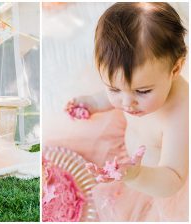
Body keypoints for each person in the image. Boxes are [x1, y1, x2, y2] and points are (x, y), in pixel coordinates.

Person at [66, 2, 188, 221]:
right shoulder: (129, 93)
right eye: (113, 88)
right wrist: (93, 102)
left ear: (176, 69)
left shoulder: (179, 113)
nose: (126, 104)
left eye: (142, 91)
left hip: (155, 179)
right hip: (129, 153)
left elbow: (174, 177)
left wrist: (138, 175)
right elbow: (115, 97)